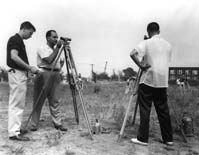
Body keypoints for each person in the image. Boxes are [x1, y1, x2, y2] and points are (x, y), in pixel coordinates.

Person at [130, 22, 173, 146]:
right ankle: (168, 138)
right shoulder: (168, 45)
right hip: (162, 81)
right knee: (163, 110)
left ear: (148, 32)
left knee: (145, 110)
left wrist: (141, 65)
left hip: (148, 80)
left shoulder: (146, 42)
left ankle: (143, 139)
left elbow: (132, 53)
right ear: (159, 31)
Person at [30, 30, 68, 131]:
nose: (56, 39)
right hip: (44, 74)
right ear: (48, 38)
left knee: (55, 100)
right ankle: (34, 124)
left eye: (57, 37)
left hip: (55, 75)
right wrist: (58, 48)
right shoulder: (42, 48)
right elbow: (49, 60)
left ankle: (58, 123)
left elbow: (58, 64)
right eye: (54, 37)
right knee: (39, 100)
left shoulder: (56, 50)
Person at [7, 21, 38, 141]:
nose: (30, 36)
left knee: (18, 103)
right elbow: (14, 56)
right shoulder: (15, 39)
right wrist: (29, 68)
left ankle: (16, 129)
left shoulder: (19, 41)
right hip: (17, 73)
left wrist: (27, 70)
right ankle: (14, 132)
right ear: (24, 29)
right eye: (30, 33)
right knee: (16, 103)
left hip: (20, 74)